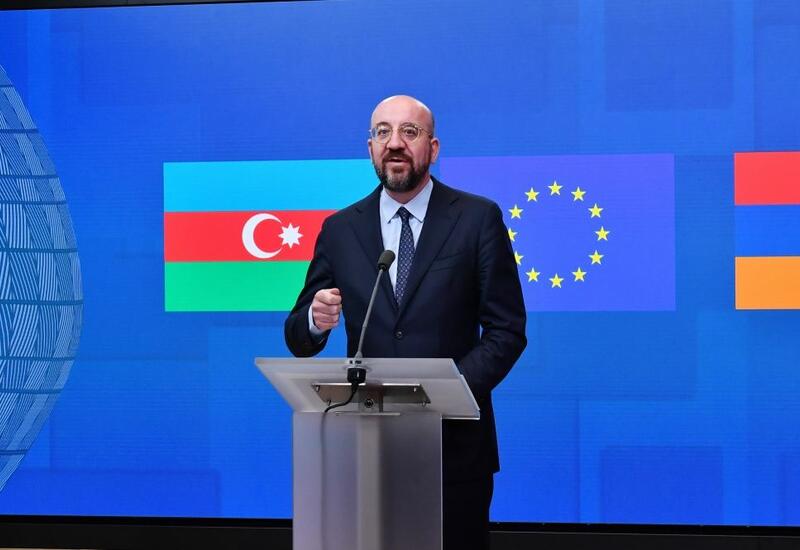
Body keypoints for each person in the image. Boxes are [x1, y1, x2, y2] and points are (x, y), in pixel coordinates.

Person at [284, 95, 527, 550]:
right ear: (370, 148)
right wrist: (315, 320)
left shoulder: (477, 219)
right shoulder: (340, 229)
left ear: (432, 148)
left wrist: (444, 393)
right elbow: (299, 335)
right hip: (362, 450)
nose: (394, 143)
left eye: (409, 132)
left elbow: (507, 330)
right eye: (383, 132)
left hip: (454, 452)